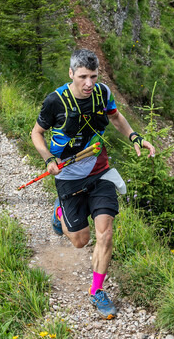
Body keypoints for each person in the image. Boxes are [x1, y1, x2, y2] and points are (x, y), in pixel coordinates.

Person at [31, 48, 155, 319]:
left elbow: (115, 117)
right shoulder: (55, 101)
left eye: (94, 77)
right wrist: (48, 157)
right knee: (80, 241)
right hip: (67, 176)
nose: (89, 84)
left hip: (100, 171)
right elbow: (37, 133)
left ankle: (97, 291)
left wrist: (135, 137)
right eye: (83, 77)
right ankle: (60, 211)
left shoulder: (103, 94)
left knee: (105, 233)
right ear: (71, 73)